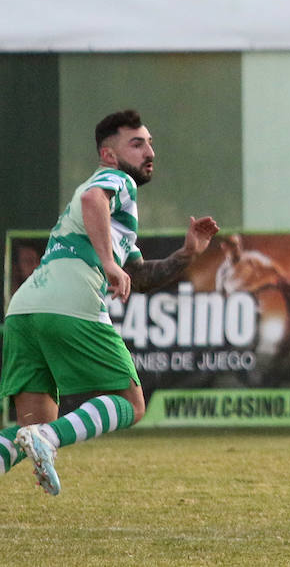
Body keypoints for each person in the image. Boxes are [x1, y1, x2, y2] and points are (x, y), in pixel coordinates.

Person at [1, 110, 220, 495]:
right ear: (108, 155)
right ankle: (49, 441)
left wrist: (188, 253)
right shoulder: (115, 181)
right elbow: (92, 199)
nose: (148, 151)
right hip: (69, 302)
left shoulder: (120, 218)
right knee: (131, 404)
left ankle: (43, 438)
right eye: (136, 144)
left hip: (25, 308)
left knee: (32, 425)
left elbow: (143, 275)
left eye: (150, 142)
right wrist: (106, 263)